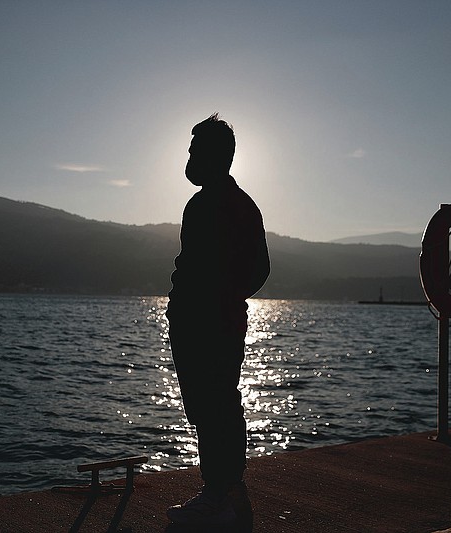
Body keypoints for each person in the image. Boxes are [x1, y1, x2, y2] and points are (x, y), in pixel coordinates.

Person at [165, 114, 270, 527]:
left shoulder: (225, 205)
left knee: (215, 405)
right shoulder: (214, 203)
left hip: (210, 322)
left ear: (212, 155)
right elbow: (253, 269)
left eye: (194, 150)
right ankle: (224, 491)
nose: (189, 158)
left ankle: (220, 494)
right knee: (212, 405)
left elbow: (256, 269)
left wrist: (218, 298)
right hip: (202, 319)